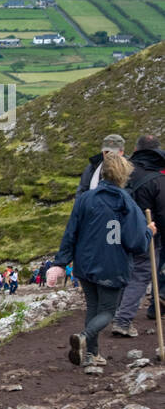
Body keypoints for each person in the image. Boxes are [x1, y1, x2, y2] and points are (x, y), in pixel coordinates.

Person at [55, 153, 153, 370]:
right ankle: (84, 338)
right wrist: (148, 232)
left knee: (93, 308)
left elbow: (71, 233)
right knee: (108, 311)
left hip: (85, 264)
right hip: (112, 265)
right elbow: (135, 243)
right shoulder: (126, 203)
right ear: (124, 175)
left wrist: (61, 262)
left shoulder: (85, 199)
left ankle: (91, 354)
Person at [110, 134, 165, 338]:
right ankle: (123, 320)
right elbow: (163, 214)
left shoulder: (122, 172)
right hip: (146, 233)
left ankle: (114, 313)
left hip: (116, 230)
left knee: (123, 272)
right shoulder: (159, 179)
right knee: (141, 274)